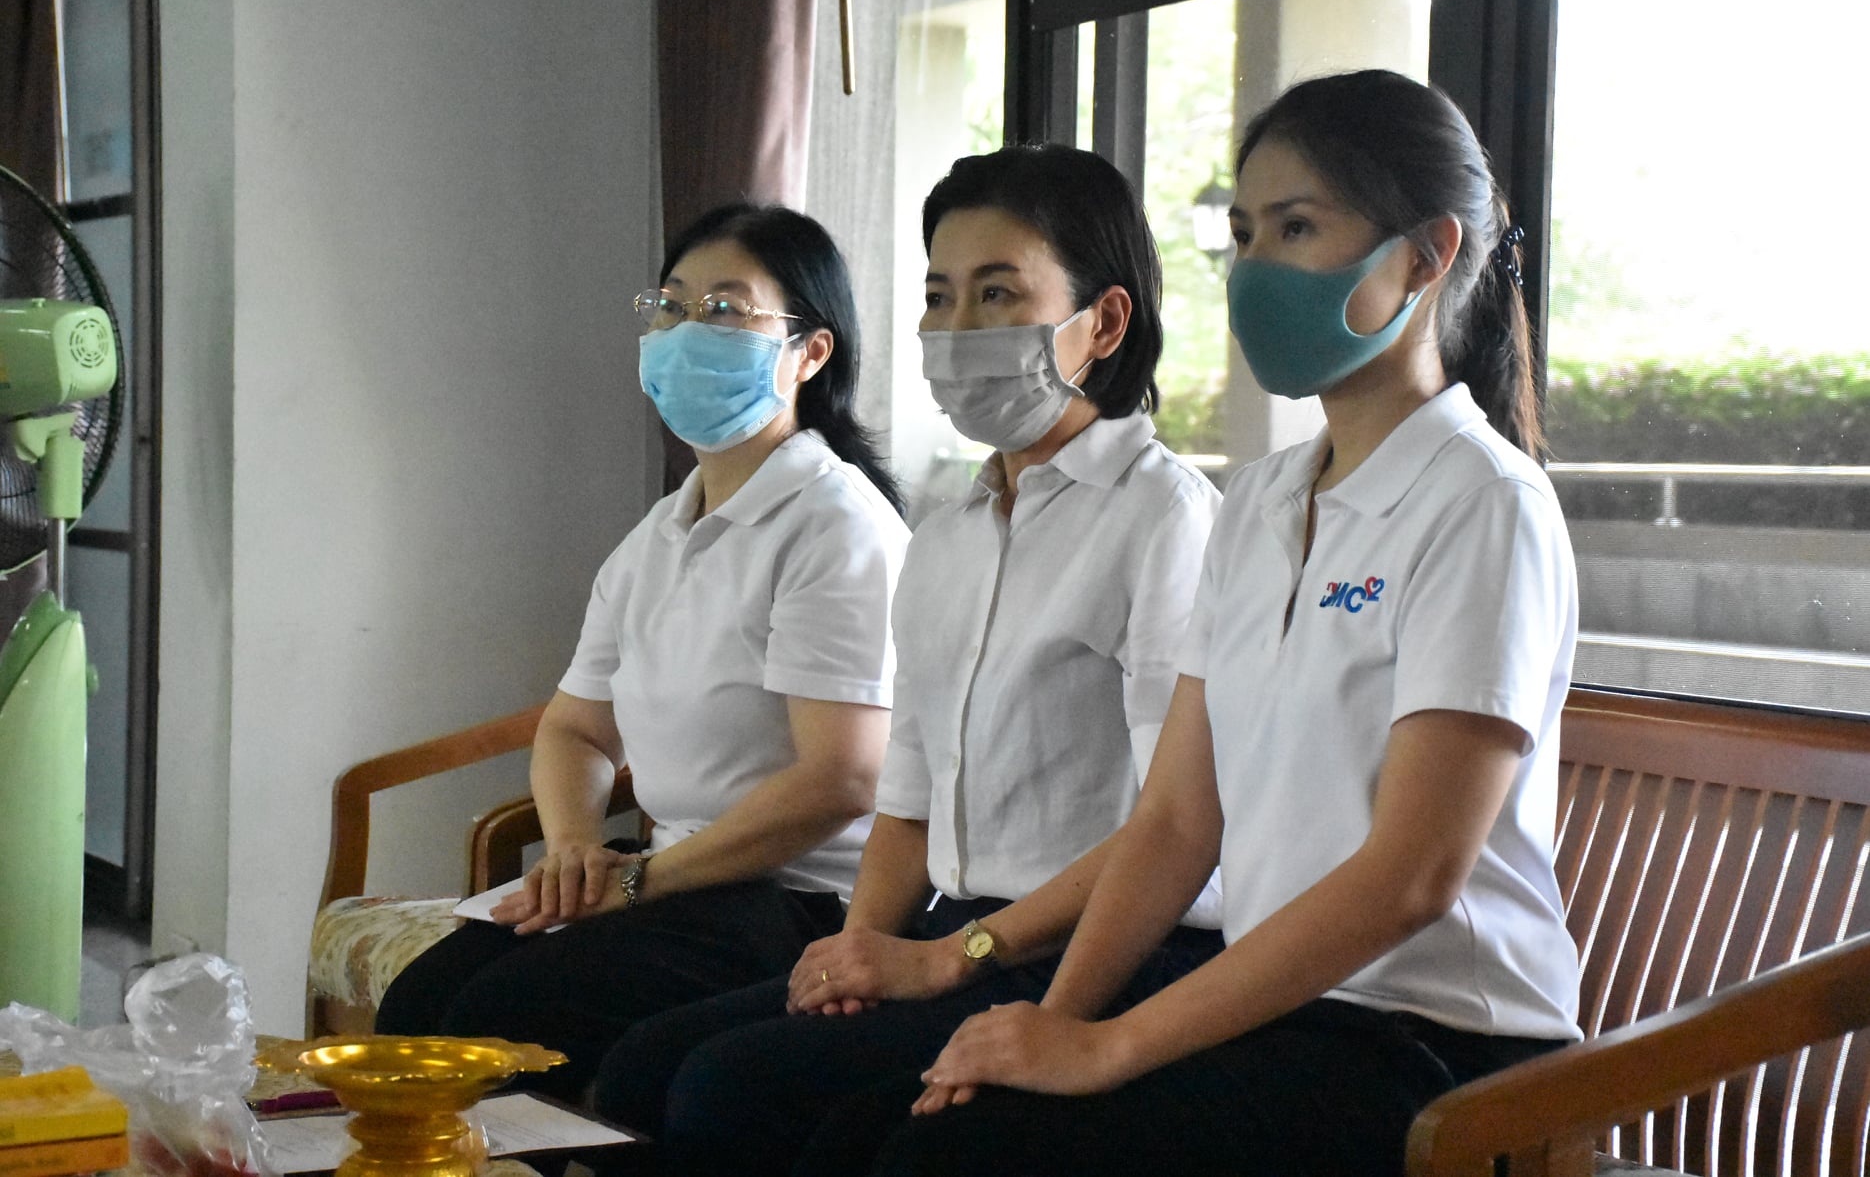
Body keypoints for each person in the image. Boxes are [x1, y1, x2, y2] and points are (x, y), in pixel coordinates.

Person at [869, 69, 1585, 1177]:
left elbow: (1412, 876)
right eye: (1244, 234)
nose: (1255, 270)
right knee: (908, 1136)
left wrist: (1108, 1048)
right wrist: (1051, 1026)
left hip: (1440, 1040)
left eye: (1297, 228)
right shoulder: (1258, 502)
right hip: (1281, 1009)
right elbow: (1173, 822)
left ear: (1425, 255)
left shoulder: (1484, 503)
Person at [589, 144, 1225, 1175]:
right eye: (938, 295)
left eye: (998, 293)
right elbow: (909, 797)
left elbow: (1175, 823)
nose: (957, 327)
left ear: (1103, 323)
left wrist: (954, 958)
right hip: (956, 934)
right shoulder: (951, 531)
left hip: (1109, 948)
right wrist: (856, 949)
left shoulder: (1167, 523)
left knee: (736, 1092)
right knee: (644, 1070)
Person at [372, 203, 910, 1102]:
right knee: (418, 1007)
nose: (687, 330)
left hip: (794, 901)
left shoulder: (836, 527)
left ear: (810, 353)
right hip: (667, 880)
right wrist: (575, 848)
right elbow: (576, 730)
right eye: (671, 305)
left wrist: (637, 884)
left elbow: (843, 778)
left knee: (493, 1026)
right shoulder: (659, 535)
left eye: (725, 309)